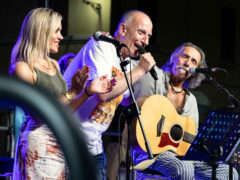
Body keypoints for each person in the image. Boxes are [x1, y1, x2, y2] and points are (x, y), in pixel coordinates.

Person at [9, 8, 115, 179]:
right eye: (56, 31)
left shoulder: (54, 65)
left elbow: (66, 112)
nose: (61, 36)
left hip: (60, 141)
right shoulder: (22, 68)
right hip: (39, 143)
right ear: (42, 31)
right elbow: (40, 114)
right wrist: (72, 91)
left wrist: (86, 91)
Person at [63, 10, 156, 180]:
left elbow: (126, 99)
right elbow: (103, 94)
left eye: (149, 36)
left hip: (94, 146)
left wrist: (155, 106)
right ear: (123, 29)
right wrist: (141, 70)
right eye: (141, 32)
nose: (146, 41)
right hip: (70, 143)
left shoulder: (127, 64)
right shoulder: (101, 47)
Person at [128, 42, 239, 180]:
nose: (187, 63)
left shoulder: (191, 100)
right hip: (148, 152)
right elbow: (128, 69)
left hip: (180, 154)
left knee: (229, 173)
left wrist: (210, 147)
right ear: (174, 58)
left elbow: (190, 137)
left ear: (196, 70)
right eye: (185, 56)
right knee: (184, 167)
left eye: (194, 61)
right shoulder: (152, 75)